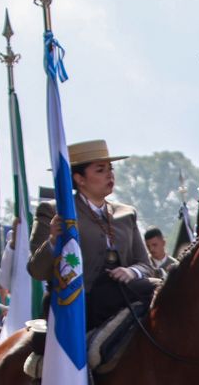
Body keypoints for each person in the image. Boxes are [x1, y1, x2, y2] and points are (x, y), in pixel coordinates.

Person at [28, 139, 153, 331]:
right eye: (100, 170)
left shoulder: (127, 213)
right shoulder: (55, 212)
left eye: (110, 169)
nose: (110, 174)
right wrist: (53, 240)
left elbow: (145, 264)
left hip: (124, 293)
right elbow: (36, 270)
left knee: (163, 289)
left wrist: (131, 272)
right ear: (80, 178)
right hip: (78, 300)